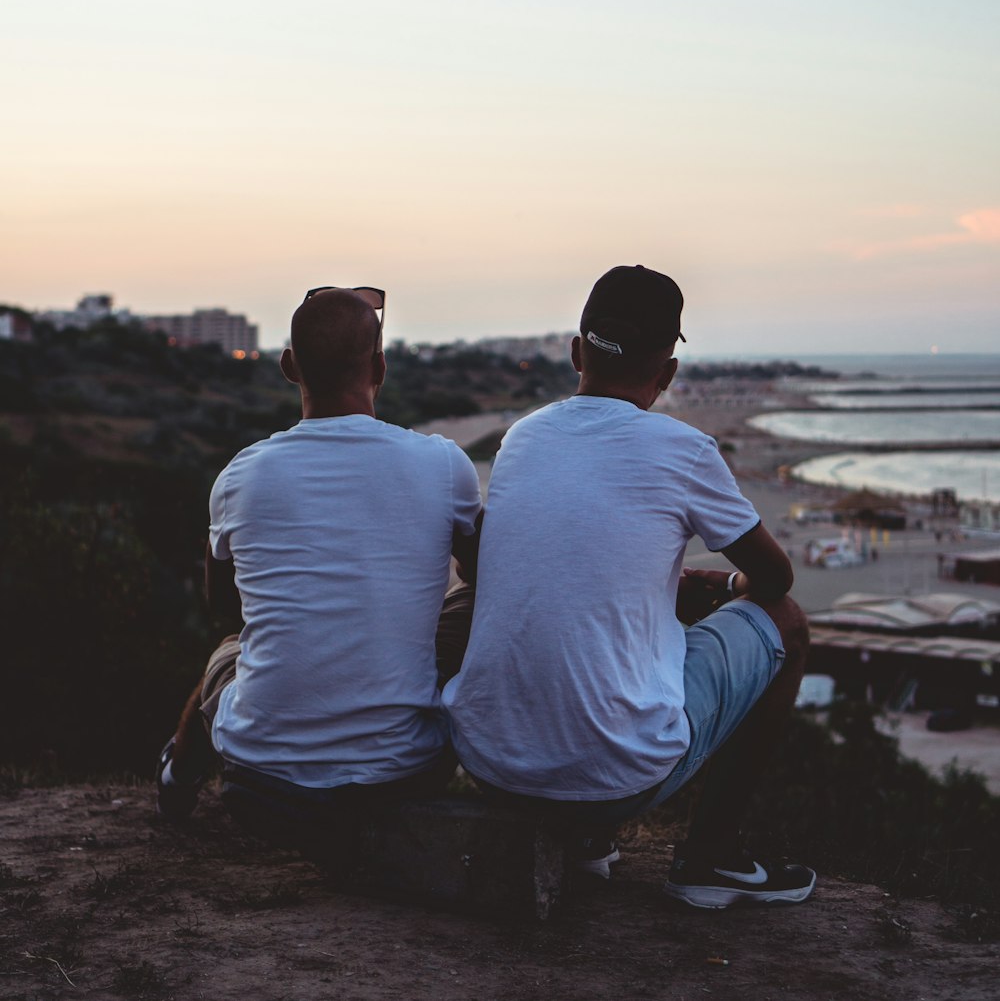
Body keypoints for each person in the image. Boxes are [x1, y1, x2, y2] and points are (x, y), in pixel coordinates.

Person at [443, 265, 815, 909]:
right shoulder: (685, 449)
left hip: (491, 767)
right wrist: (725, 583)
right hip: (615, 780)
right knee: (788, 621)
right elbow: (775, 578)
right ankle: (711, 858)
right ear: (667, 374)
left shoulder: (523, 436)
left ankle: (584, 844)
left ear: (575, 353)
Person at [156, 286, 482, 825]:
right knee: (474, 601)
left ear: (289, 366)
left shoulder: (241, 475)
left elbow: (226, 608)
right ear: (380, 365)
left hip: (261, 773)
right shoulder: (442, 463)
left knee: (226, 655)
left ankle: (177, 778)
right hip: (406, 770)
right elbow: (480, 572)